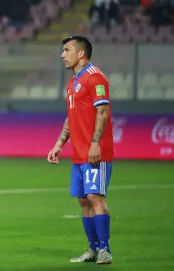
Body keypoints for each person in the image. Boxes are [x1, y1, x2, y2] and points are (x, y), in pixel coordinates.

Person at [47, 35, 113, 265]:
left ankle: (105, 249)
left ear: (81, 53)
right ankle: (93, 249)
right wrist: (59, 144)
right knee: (84, 200)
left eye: (67, 50)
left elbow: (102, 111)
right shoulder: (72, 84)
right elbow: (71, 117)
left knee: (95, 196)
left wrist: (95, 143)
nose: (63, 55)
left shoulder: (95, 78)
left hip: (97, 151)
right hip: (78, 153)